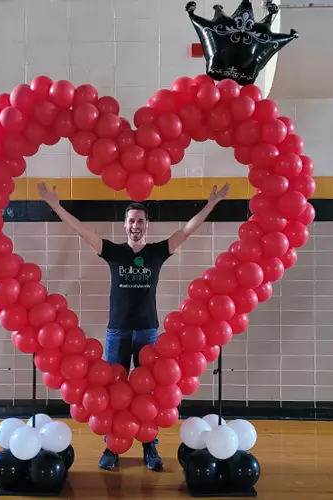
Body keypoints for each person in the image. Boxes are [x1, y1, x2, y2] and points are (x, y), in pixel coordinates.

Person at [37, 181, 230, 472]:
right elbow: (81, 230)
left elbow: (187, 231)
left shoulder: (156, 252)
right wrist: (55, 205)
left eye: (140, 221)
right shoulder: (113, 252)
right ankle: (112, 447)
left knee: (148, 393)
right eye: (131, 221)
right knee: (113, 391)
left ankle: (149, 445)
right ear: (125, 225)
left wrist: (211, 204)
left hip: (147, 332)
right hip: (117, 331)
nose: (135, 225)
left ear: (147, 225)